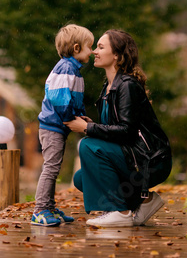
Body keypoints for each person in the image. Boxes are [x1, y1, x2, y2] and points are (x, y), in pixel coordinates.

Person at [64, 29, 172, 227]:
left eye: (101, 47)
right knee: (82, 178)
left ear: (116, 55)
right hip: (133, 157)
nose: (94, 51)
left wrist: (89, 128)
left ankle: (119, 211)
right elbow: (116, 129)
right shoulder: (109, 86)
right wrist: (91, 124)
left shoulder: (127, 85)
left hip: (150, 160)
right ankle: (143, 200)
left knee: (87, 145)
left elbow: (127, 132)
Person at [32, 24, 94, 226]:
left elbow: (73, 99)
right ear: (76, 48)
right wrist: (69, 119)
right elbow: (58, 97)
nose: (92, 51)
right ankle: (40, 210)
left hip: (58, 126)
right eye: (89, 47)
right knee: (50, 168)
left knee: (54, 168)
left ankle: (49, 207)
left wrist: (80, 116)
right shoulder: (65, 68)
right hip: (52, 126)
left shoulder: (74, 71)